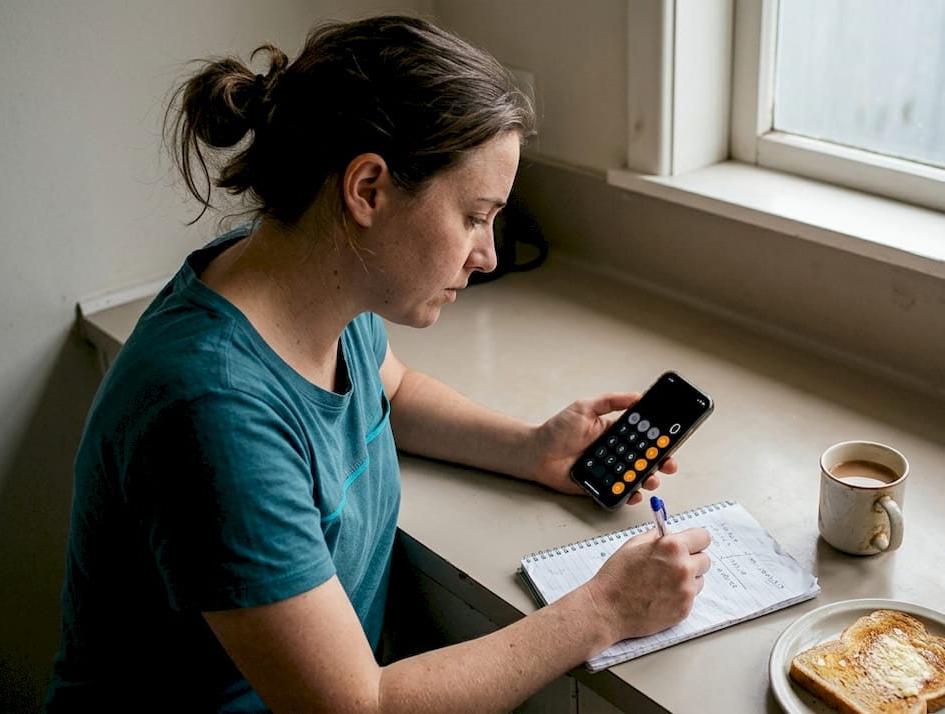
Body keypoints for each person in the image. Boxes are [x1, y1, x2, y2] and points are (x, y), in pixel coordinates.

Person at [46, 15, 711, 713]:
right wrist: (603, 610)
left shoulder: (306, 276)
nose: (486, 254)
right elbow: (356, 708)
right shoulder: (211, 412)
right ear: (367, 189)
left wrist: (531, 448)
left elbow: (391, 389)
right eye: (474, 215)